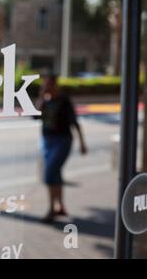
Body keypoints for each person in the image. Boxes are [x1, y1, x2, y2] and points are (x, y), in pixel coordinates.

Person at [36, 73, 87, 223]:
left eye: (48, 84)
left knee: (50, 172)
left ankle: (52, 209)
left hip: (62, 140)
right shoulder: (45, 102)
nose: (47, 88)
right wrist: (41, 97)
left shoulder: (64, 101)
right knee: (55, 173)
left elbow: (74, 122)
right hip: (47, 140)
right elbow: (35, 116)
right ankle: (60, 206)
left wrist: (82, 142)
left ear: (54, 84)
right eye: (44, 85)